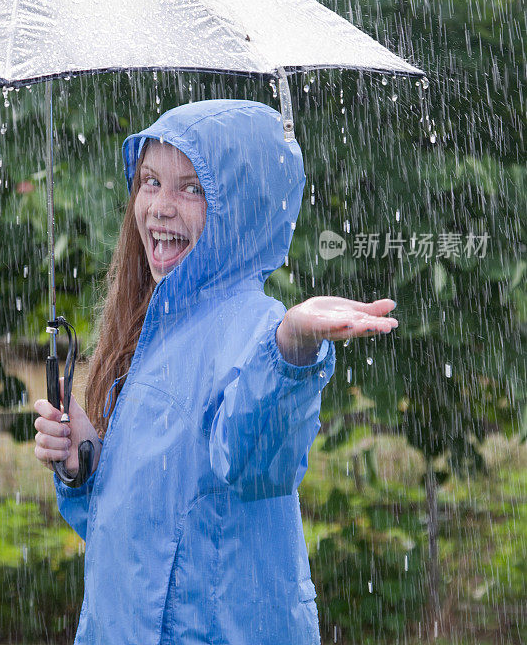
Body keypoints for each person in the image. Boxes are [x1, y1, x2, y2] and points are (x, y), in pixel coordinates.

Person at [34, 98, 398, 645]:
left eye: (191, 188)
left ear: (241, 211)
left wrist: (292, 350)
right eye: (150, 181)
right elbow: (140, 535)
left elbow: (257, 462)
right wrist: (87, 467)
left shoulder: (254, 328)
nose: (158, 206)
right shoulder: (150, 327)